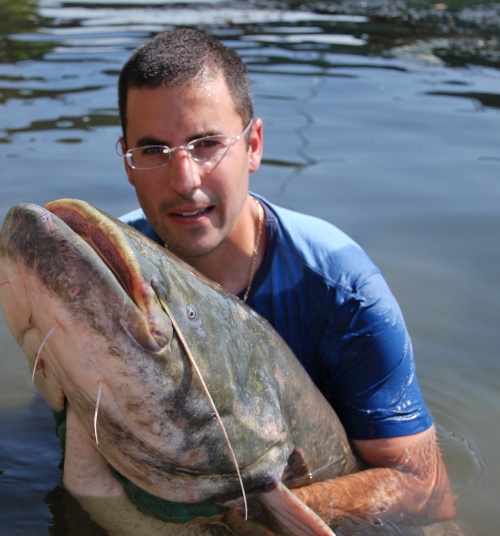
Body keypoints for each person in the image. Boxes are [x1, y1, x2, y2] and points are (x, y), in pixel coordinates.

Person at [68, 27, 455, 531]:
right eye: (154, 151)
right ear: (128, 161)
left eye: (206, 144)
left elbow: (428, 490)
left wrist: (240, 515)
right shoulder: (113, 274)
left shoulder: (344, 290)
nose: (184, 181)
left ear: (253, 145)